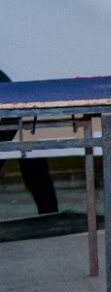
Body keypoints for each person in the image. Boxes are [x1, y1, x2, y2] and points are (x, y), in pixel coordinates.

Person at [0, 68, 59, 215]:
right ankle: (49, 215)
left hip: (17, 113)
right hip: (18, 112)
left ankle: (49, 216)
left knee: (36, 174)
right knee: (36, 174)